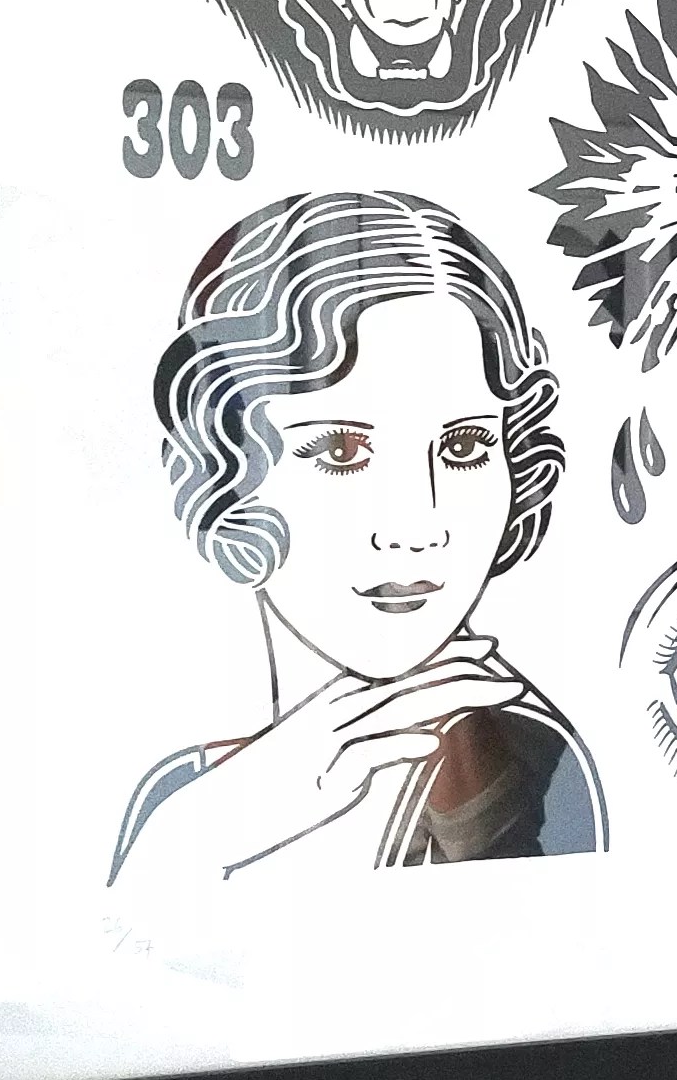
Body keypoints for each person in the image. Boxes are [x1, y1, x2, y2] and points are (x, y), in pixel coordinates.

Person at [109, 190, 604, 889]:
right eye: (342, 450)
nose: (415, 526)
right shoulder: (185, 792)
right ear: (224, 462)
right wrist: (195, 835)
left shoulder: (525, 765)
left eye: (464, 446)